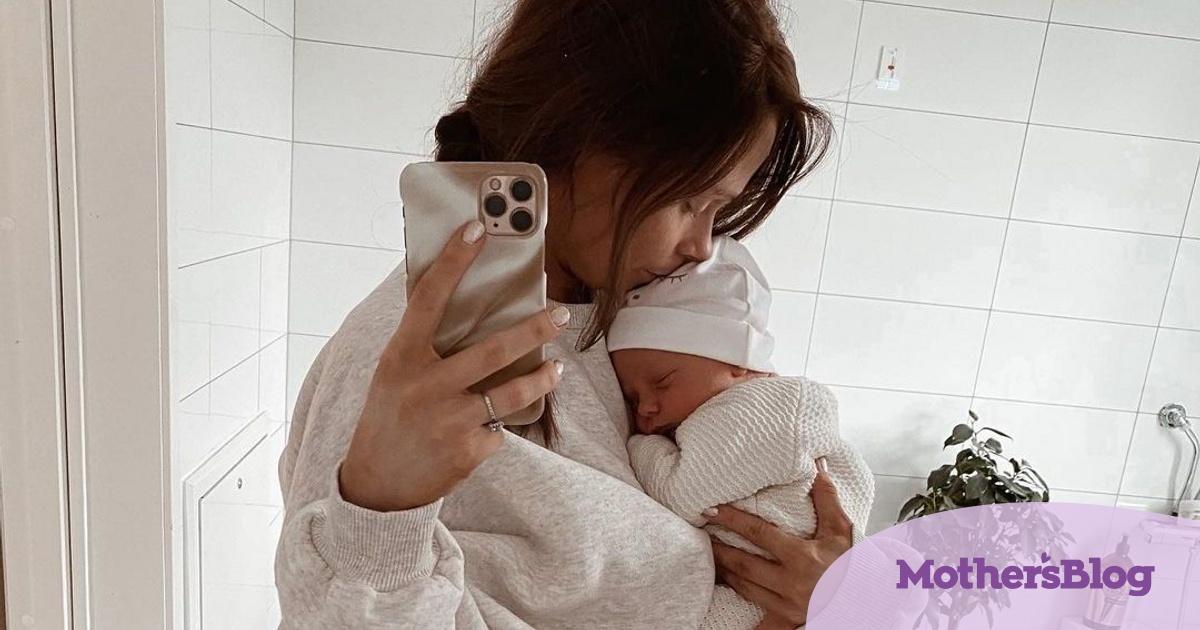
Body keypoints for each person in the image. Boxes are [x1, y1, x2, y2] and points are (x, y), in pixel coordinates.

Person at [274, 1, 886, 628]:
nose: (703, 245)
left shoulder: (630, 306)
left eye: (719, 210)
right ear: (579, 135)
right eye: (688, 200)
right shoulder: (409, 358)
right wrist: (380, 512)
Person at [608, 235, 875, 629]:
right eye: (632, 399)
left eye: (662, 382)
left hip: (771, 587)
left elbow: (682, 493)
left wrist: (638, 446)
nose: (645, 408)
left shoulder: (755, 411)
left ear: (738, 362)